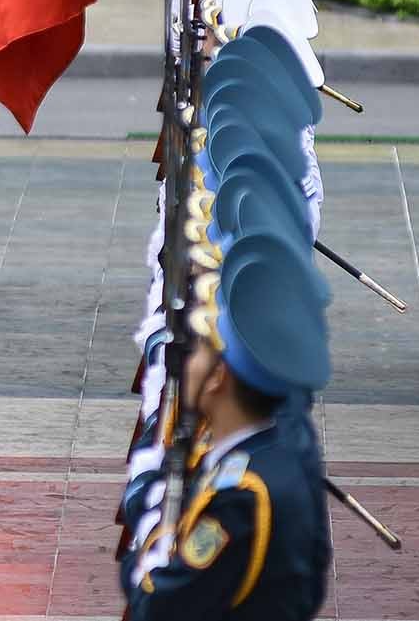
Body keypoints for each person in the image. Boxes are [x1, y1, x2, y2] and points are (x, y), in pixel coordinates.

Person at [118, 232, 331, 620]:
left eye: (198, 349)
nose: (185, 362)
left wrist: (154, 524)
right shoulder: (270, 447)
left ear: (219, 377)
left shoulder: (242, 496)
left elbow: (157, 603)